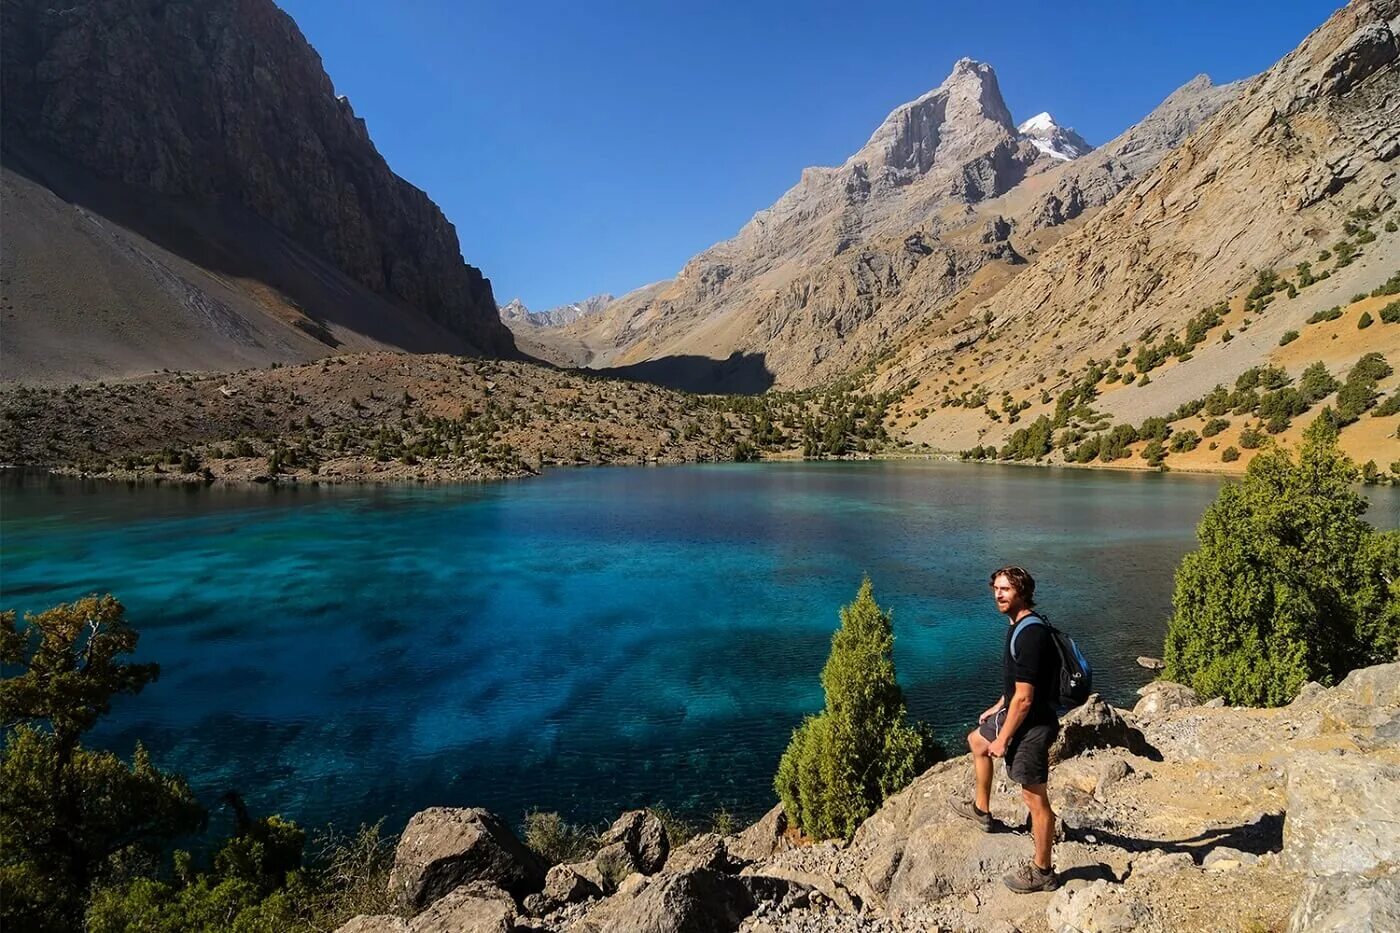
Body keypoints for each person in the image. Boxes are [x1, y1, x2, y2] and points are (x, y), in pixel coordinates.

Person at [950, 565, 1060, 893]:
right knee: (976, 741)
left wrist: (1004, 737)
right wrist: (999, 705)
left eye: (1006, 589)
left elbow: (1025, 699)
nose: (998, 594)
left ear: (1022, 592)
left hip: (1033, 726)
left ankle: (1043, 871)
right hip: (1015, 713)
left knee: (1034, 799)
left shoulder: (1030, 633)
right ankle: (982, 811)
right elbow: (1019, 684)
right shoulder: (1018, 627)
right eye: (996, 589)